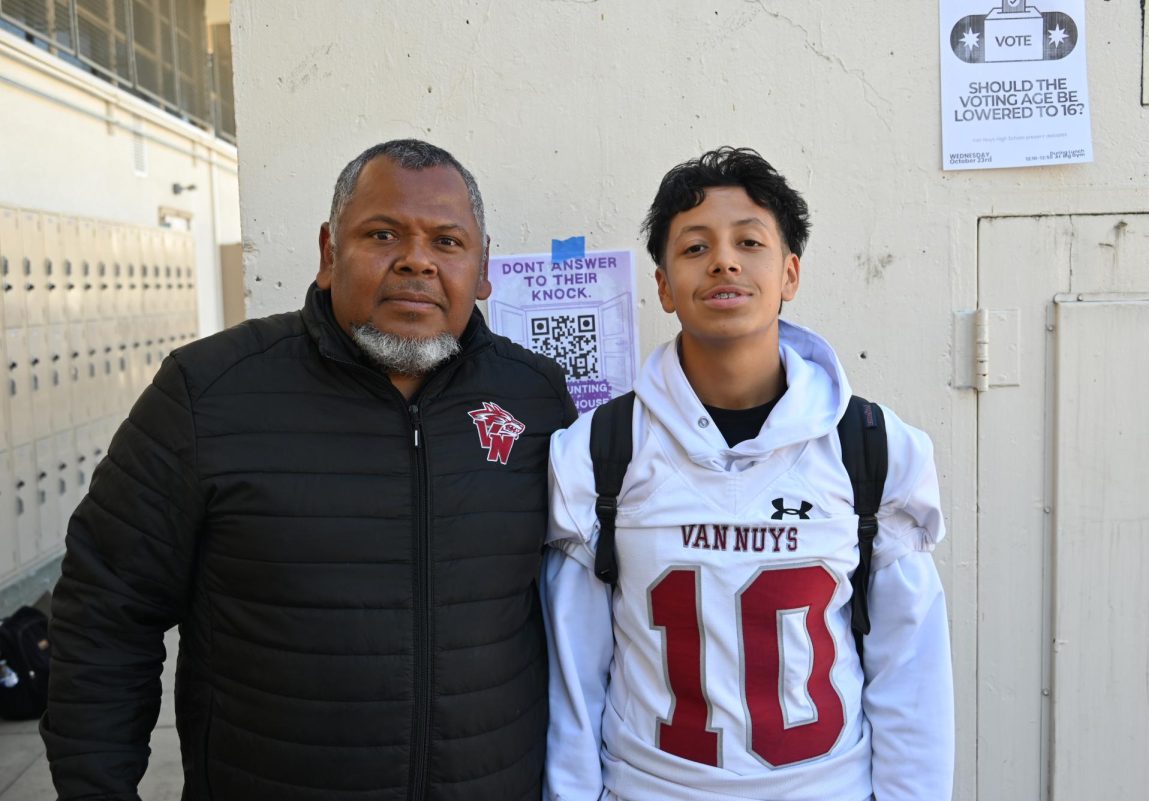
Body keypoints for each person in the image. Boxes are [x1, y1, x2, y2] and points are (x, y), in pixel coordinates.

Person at [41, 139, 576, 800]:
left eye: (447, 241)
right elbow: (105, 613)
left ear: (483, 266)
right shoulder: (207, 393)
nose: (416, 260)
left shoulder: (537, 398)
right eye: (383, 234)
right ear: (329, 251)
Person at [541, 147, 953, 801]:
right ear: (664, 285)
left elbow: (909, 673)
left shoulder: (871, 449)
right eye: (695, 247)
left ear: (789, 273)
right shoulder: (599, 451)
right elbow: (576, 676)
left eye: (749, 242)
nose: (724, 261)